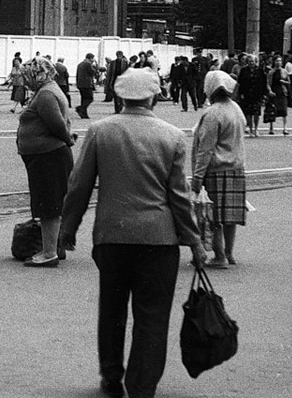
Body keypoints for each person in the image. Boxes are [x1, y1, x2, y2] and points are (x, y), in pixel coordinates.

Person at [60, 68, 205, 398]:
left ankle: (111, 375)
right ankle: (142, 387)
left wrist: (68, 229)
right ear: (154, 95)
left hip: (112, 237)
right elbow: (179, 197)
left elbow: (79, 185)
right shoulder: (171, 136)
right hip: (159, 240)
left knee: (112, 309)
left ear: (120, 95)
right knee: (152, 316)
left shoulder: (100, 131)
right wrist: (194, 240)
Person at [16, 56, 75, 267]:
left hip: (49, 157)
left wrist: (68, 139)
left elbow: (57, 125)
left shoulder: (47, 94)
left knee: (48, 205)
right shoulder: (46, 91)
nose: (25, 81)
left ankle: (49, 253)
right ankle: (54, 247)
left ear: (37, 73)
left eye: (27, 76)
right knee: (48, 203)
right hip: (46, 156)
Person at [191, 71, 248, 268]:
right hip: (236, 168)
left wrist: (197, 178)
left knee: (213, 217)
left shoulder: (213, 113)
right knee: (230, 216)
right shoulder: (236, 109)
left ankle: (219, 256)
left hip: (216, 170)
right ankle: (230, 253)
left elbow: (205, 149)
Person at [236, 54, 267, 137]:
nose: (251, 63)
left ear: (255, 62)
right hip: (247, 93)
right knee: (249, 113)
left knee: (256, 112)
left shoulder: (260, 71)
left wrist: (264, 94)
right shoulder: (243, 70)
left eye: (253, 61)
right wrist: (241, 93)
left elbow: (264, 83)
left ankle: (256, 129)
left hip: (257, 93)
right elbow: (240, 83)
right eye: (249, 61)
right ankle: (250, 129)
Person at [264, 55, 289, 135]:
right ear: (274, 62)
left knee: (284, 111)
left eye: (280, 61)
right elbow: (268, 83)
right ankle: (271, 128)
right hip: (274, 92)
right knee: (272, 110)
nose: (279, 62)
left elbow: (289, 82)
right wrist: (270, 91)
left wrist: (284, 82)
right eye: (277, 61)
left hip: (282, 92)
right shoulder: (271, 72)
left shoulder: (284, 71)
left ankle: (285, 128)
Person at [75, 53, 100, 119]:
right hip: (87, 84)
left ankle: (84, 114)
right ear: (91, 58)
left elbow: (77, 74)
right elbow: (92, 72)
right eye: (93, 58)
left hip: (80, 84)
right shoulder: (88, 64)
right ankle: (80, 108)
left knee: (83, 99)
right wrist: (96, 66)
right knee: (90, 98)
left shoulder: (80, 64)